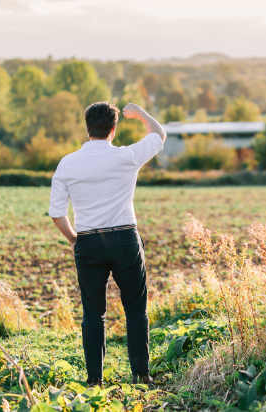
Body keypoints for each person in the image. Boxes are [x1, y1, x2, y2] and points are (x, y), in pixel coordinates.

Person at [48, 102, 165, 386]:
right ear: (113, 129)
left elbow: (57, 213)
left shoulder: (67, 163)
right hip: (125, 238)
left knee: (93, 314)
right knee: (136, 310)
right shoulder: (127, 156)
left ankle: (94, 381)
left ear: (88, 128)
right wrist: (140, 115)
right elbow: (159, 135)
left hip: (88, 241)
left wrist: (75, 239)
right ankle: (141, 375)